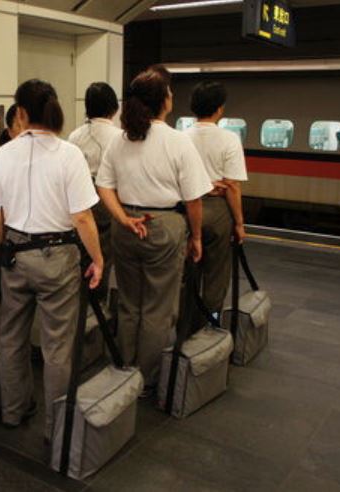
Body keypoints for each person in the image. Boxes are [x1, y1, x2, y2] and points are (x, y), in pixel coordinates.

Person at [0, 79, 103, 441]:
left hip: (15, 254)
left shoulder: (3, 154)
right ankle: (56, 428)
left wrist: (5, 246)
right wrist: (98, 258)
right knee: (57, 346)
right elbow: (82, 217)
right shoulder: (69, 154)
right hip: (58, 257)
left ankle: (13, 410)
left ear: (20, 113)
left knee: (11, 337)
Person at [96, 64, 212, 393]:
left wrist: (123, 219)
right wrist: (196, 237)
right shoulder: (178, 142)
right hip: (164, 226)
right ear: (163, 101)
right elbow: (193, 199)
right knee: (158, 308)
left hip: (126, 228)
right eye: (170, 92)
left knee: (129, 303)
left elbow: (104, 186)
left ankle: (124, 366)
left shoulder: (120, 140)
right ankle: (146, 379)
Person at [185, 81, 248, 315]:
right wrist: (239, 223)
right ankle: (210, 324)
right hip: (218, 211)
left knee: (189, 271)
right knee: (217, 273)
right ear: (219, 109)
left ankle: (185, 325)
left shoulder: (180, 138)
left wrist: (200, 185)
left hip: (188, 208)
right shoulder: (229, 139)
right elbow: (232, 185)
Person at [68, 82, 122, 302]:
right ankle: (99, 300)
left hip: (80, 198)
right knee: (104, 252)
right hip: (108, 199)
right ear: (114, 108)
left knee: (82, 248)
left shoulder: (74, 136)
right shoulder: (120, 136)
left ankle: (81, 300)